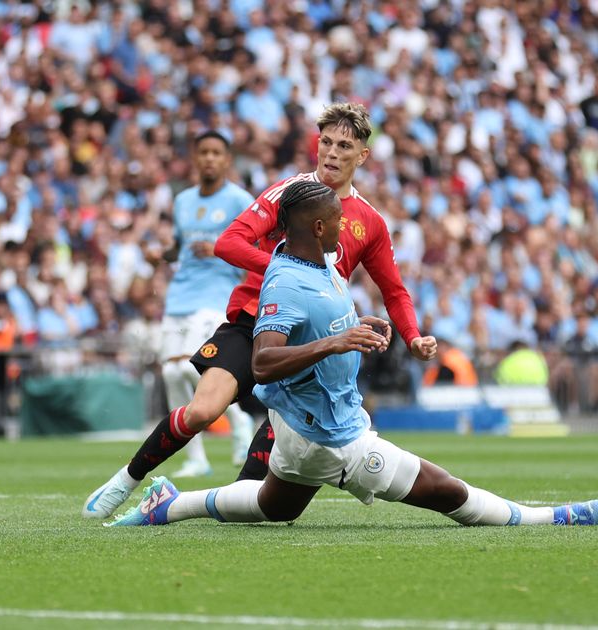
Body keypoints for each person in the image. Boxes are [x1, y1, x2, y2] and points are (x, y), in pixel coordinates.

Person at [110, 180, 598, 529]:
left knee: (274, 507)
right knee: (449, 494)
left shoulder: (319, 263)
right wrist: (337, 341)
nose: (343, 223)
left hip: (303, 427)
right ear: (320, 229)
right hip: (332, 437)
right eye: (334, 218)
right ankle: (551, 516)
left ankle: (170, 506)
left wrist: (355, 325)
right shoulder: (284, 281)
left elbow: (331, 316)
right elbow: (262, 362)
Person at [82, 103, 437, 519]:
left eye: (344, 145)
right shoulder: (289, 194)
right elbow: (229, 242)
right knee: (202, 410)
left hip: (310, 344)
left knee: (266, 501)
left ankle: (199, 503)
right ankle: (126, 479)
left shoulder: (369, 222)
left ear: (363, 156)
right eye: (326, 142)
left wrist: (413, 336)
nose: (332, 153)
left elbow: (394, 290)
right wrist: (290, 270)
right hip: (254, 321)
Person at [156, 131, 255, 477]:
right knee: (170, 373)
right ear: (195, 159)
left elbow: (257, 249)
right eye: (204, 153)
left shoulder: (239, 200)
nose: (210, 158)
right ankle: (196, 458)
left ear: (227, 160)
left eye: (216, 153)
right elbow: (180, 246)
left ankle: (239, 420)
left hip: (217, 296)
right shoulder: (182, 200)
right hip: (180, 295)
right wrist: (161, 254)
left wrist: (220, 249)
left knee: (188, 367)